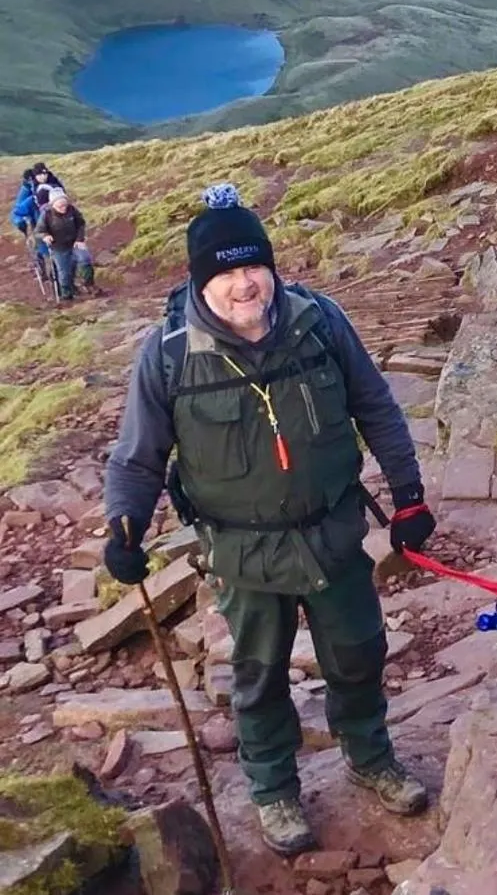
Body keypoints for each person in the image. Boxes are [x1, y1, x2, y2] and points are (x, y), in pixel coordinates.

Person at [101, 184, 438, 857]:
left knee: (358, 652)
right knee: (258, 672)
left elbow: (376, 405)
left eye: (253, 265)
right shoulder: (167, 354)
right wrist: (124, 529)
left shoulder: (319, 320)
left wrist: (408, 495)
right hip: (244, 552)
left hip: (334, 531)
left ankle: (369, 754)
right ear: (200, 280)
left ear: (271, 264)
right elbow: (138, 458)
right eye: (224, 271)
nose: (243, 282)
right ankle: (273, 786)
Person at [37, 190, 86, 302]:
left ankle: (82, 285)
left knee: (82, 261)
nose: (63, 208)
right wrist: (45, 236)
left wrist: (79, 239)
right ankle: (66, 295)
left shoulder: (72, 210)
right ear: (53, 204)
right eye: (60, 206)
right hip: (58, 247)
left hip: (74, 243)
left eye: (65, 204)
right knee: (64, 271)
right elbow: (39, 231)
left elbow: (81, 224)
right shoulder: (46, 215)